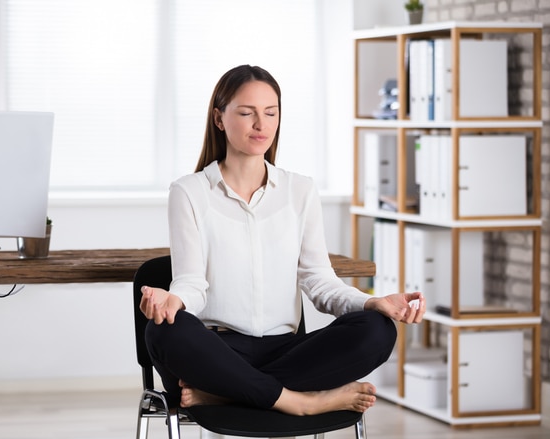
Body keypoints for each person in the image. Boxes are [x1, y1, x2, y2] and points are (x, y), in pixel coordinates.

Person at [140, 65, 425, 417]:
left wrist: (374, 303)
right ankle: (301, 402)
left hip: (287, 352)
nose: (261, 125)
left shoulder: (300, 190)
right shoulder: (189, 192)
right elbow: (192, 283)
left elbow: (319, 281)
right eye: (247, 113)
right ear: (219, 118)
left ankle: (228, 393)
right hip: (217, 351)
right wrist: (174, 300)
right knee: (163, 332)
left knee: (377, 330)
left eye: (270, 113)